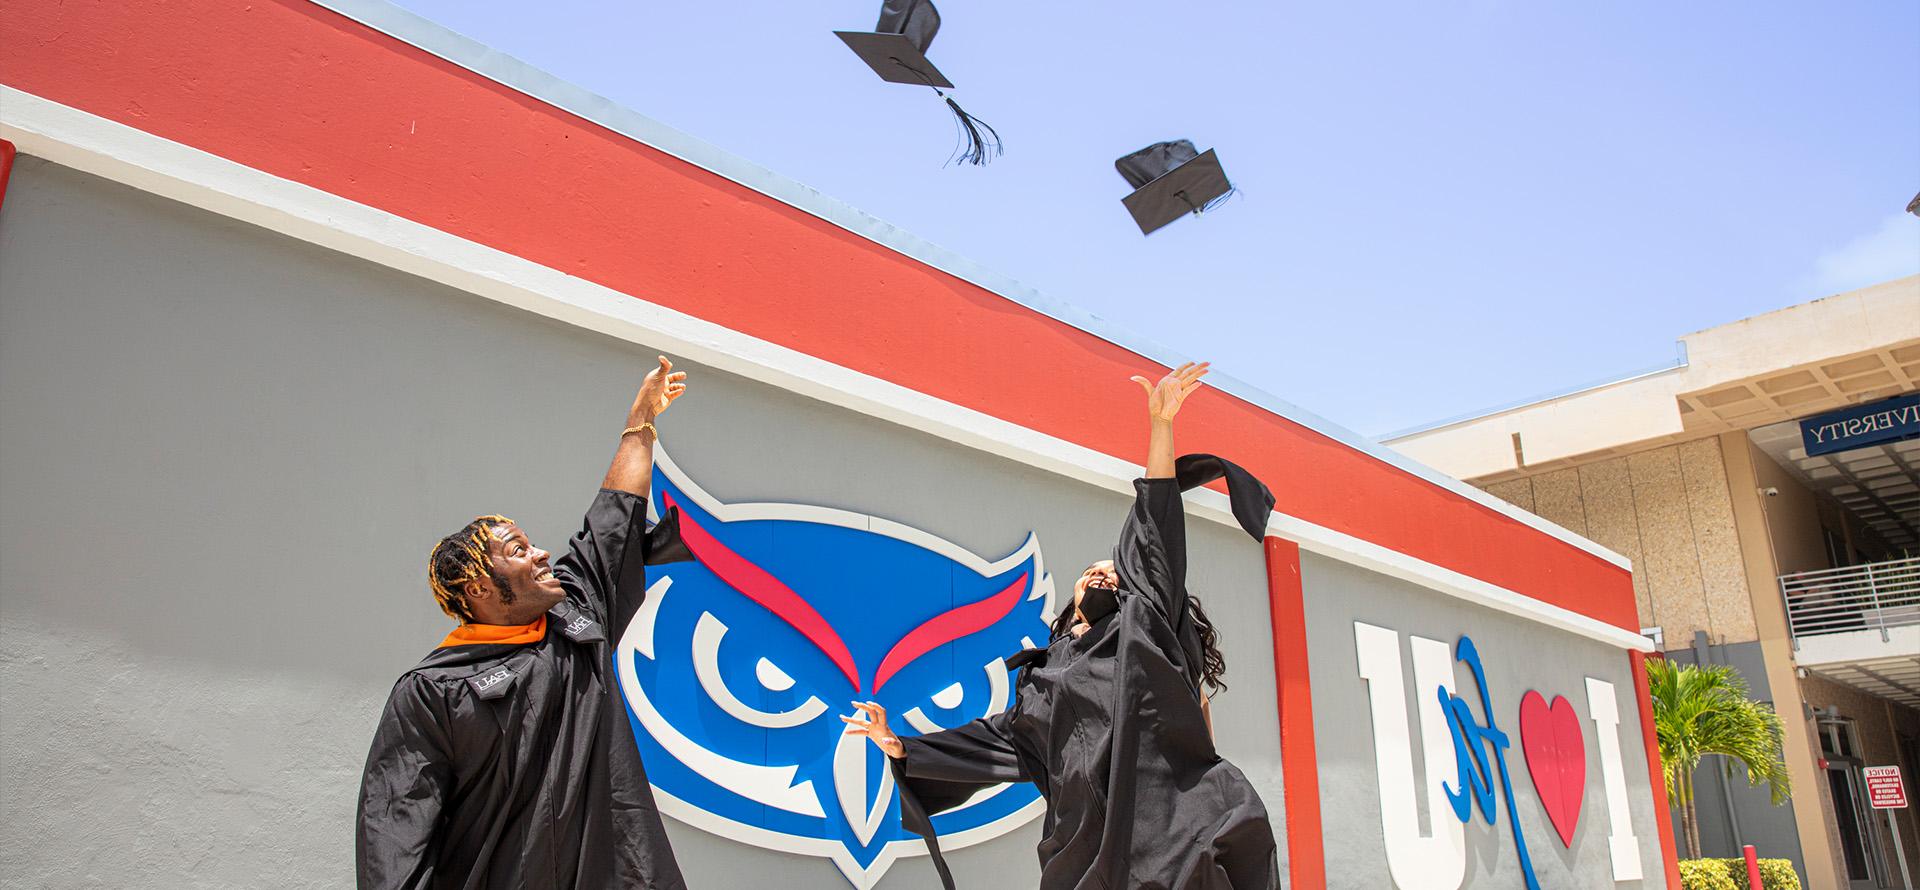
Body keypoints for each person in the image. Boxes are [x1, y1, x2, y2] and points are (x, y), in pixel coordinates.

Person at [842, 362, 1282, 889]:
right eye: (1092, 568)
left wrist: (1161, 427)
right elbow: (992, 743)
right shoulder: (1041, 684)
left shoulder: (1145, 628)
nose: (1103, 570)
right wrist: (903, 746)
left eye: (1116, 571)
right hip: (1086, 851)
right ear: (1070, 602)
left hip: (1177, 836)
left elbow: (1153, 534)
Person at [356, 356, 693, 890]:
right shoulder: (432, 693)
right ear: (479, 589)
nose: (540, 553)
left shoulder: (574, 620)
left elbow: (612, 520)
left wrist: (641, 420)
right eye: (518, 550)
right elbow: (397, 835)